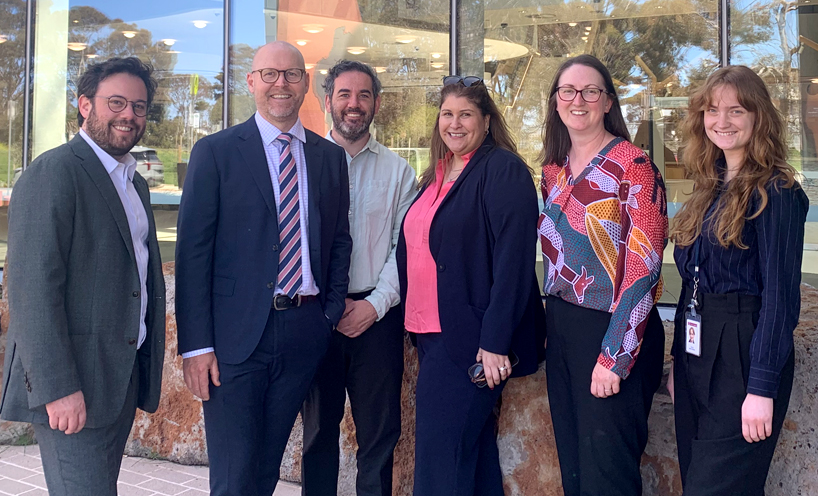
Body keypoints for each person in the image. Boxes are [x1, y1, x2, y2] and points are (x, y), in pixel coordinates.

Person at [175, 41, 352, 496]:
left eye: (292, 75)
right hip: (235, 340)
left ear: (306, 85)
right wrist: (195, 347)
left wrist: (328, 313)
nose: (281, 84)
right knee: (234, 477)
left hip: (303, 332)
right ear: (251, 82)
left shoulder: (329, 157)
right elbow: (194, 254)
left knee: (265, 471)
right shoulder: (215, 152)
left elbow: (338, 241)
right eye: (269, 74)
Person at [0, 57, 166, 495]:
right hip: (74, 384)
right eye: (116, 102)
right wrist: (57, 389)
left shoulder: (135, 182)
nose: (129, 114)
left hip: (118, 376)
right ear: (85, 105)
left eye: (139, 106)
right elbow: (31, 289)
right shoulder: (54, 171)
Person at [396, 76, 545, 496]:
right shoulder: (437, 174)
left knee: (440, 461)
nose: (454, 123)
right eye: (447, 114)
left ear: (485, 120)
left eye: (465, 114)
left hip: (470, 342)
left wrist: (495, 341)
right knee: (470, 455)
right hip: (429, 335)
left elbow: (514, 263)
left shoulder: (503, 170)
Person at [668, 65, 808, 495]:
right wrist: (679, 363)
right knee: (699, 480)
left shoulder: (778, 191)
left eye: (736, 110)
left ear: (758, 117)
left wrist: (762, 386)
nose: (722, 121)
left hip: (744, 356)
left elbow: (780, 300)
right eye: (713, 110)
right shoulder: (709, 186)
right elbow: (693, 283)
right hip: (698, 353)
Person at [537, 54, 667, 496]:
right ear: (556, 102)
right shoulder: (552, 171)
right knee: (573, 466)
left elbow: (643, 270)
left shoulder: (634, 167)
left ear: (608, 102)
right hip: (563, 328)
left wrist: (615, 355)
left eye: (591, 90)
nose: (579, 100)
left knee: (606, 475)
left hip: (614, 328)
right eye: (568, 91)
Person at [301, 60, 417, 496]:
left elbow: (402, 249)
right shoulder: (304, 163)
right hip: (315, 315)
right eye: (345, 95)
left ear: (377, 104)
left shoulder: (398, 171)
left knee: (380, 435)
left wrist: (373, 305)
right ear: (327, 100)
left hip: (377, 316)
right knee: (317, 434)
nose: (354, 104)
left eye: (364, 95)